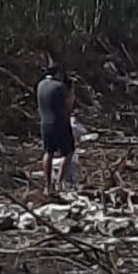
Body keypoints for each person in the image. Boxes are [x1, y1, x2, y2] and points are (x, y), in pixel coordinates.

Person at [37, 65, 77, 194]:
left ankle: (47, 185)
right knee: (68, 152)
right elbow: (69, 104)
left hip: (45, 123)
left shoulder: (40, 85)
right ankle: (59, 182)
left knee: (48, 152)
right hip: (60, 123)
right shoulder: (60, 87)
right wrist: (70, 89)